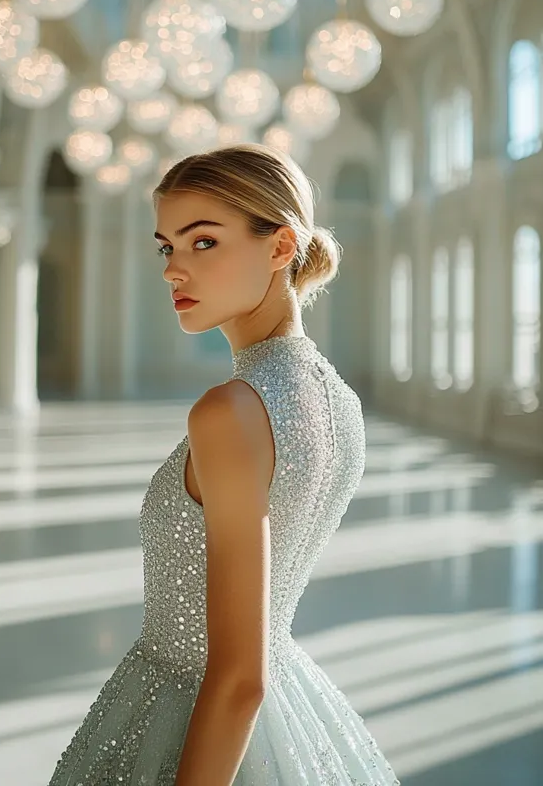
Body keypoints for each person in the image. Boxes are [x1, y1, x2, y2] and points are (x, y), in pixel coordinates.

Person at [48, 143, 399, 786]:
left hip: (199, 714)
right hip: (287, 698)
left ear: (281, 246)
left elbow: (239, 678)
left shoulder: (229, 412)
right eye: (167, 247)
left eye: (203, 242)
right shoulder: (337, 399)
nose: (172, 270)